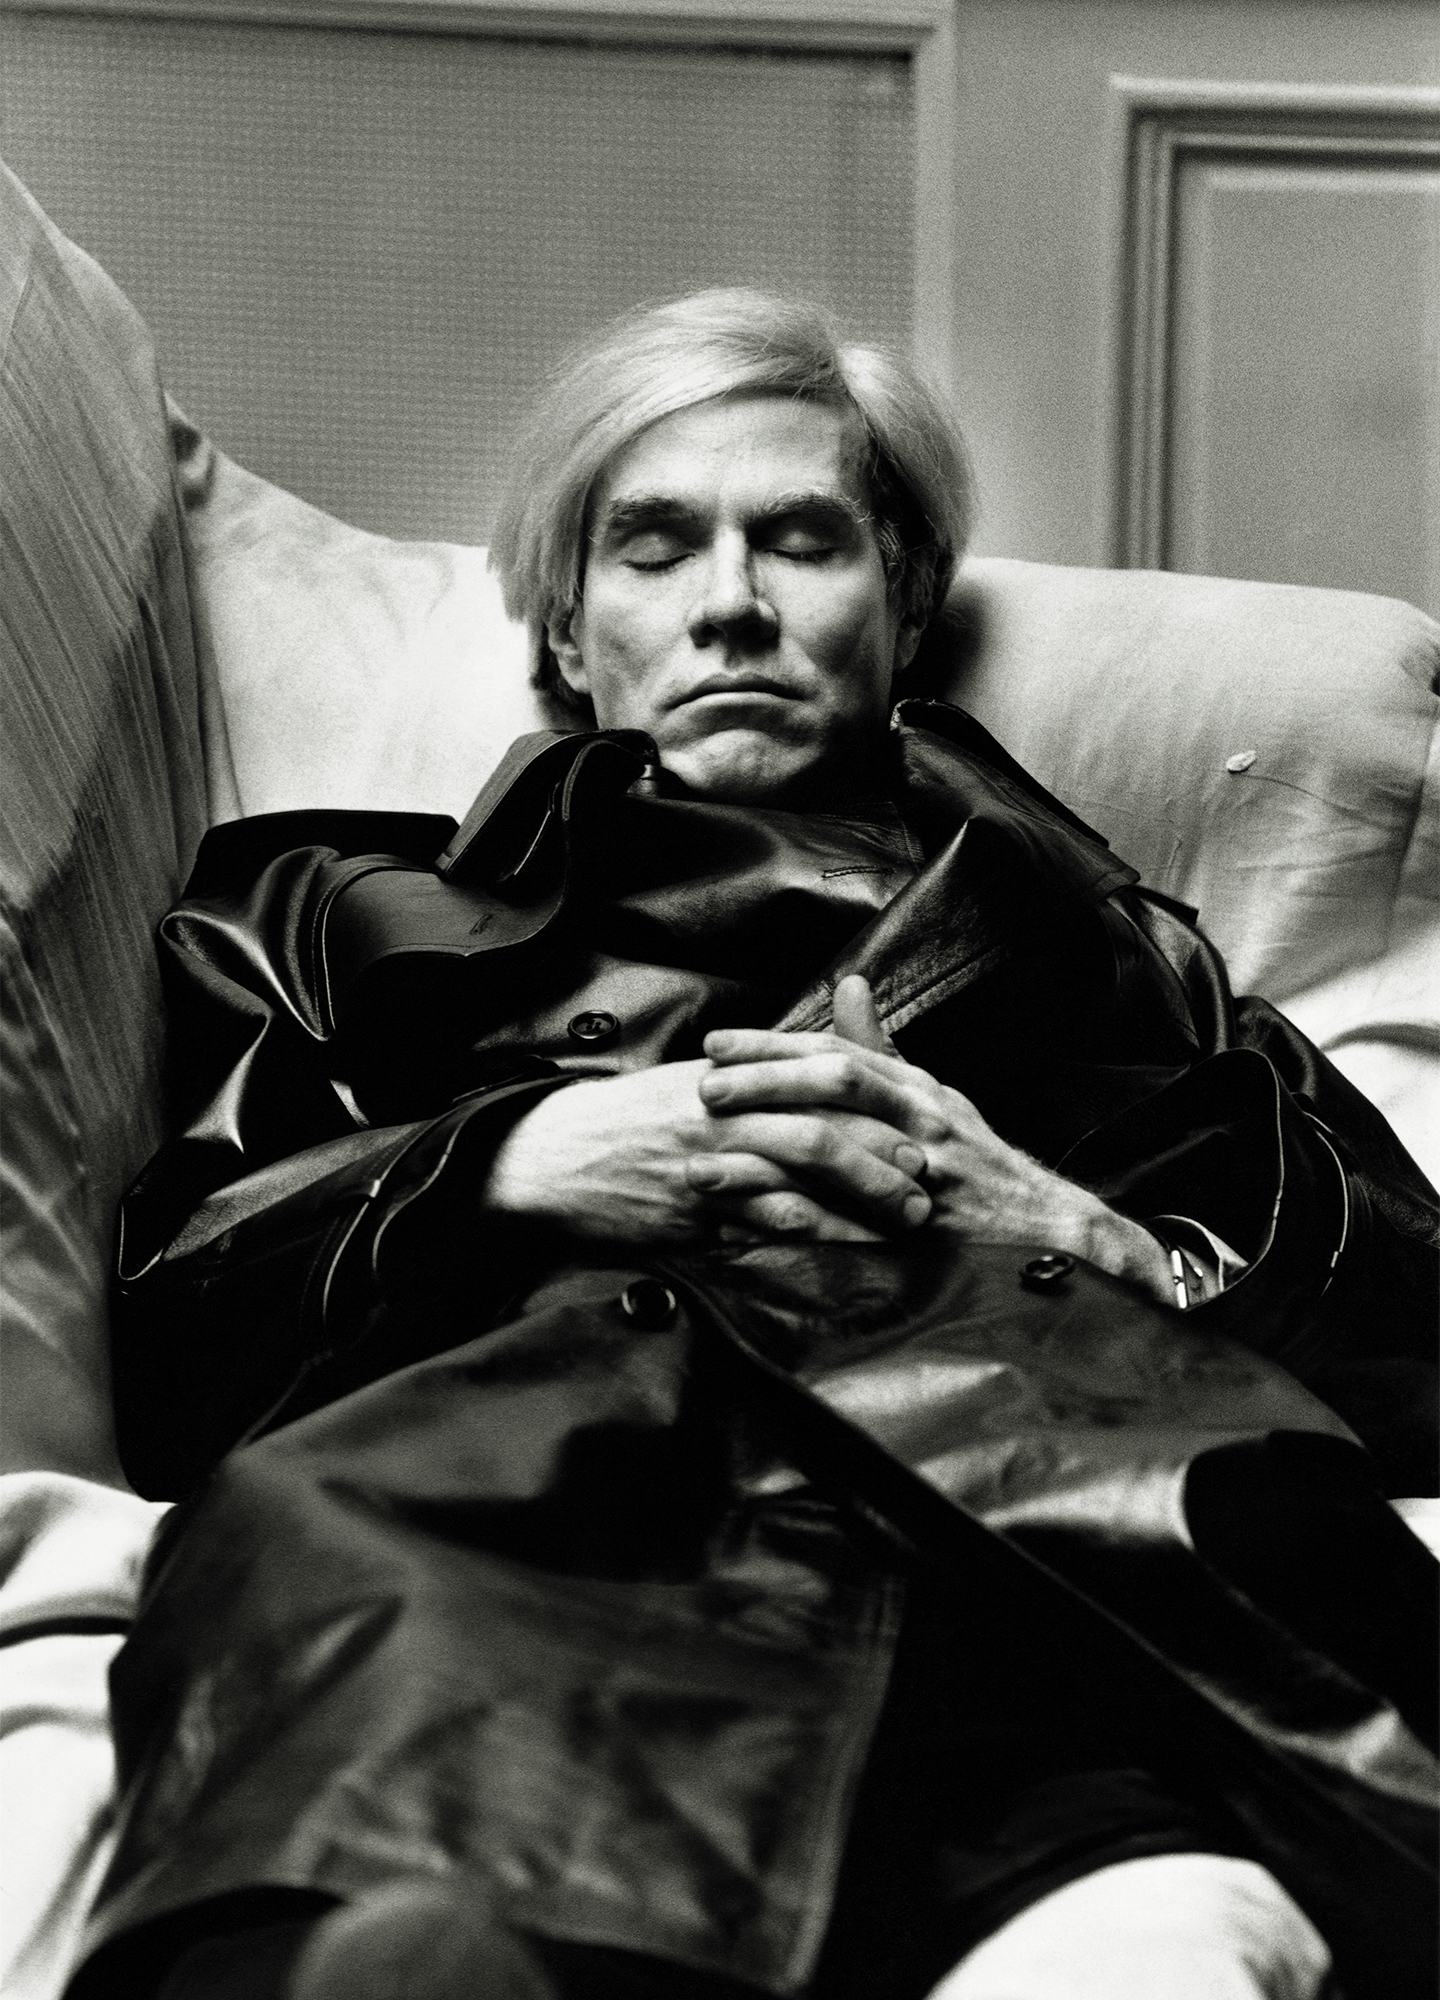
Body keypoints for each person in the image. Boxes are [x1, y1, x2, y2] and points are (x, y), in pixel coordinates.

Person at [78, 293, 1435, 2000]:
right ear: (567, 628)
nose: (730, 601)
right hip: (510, 1539)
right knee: (373, 1915)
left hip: (1027, 1550)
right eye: (653, 550)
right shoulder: (337, 911)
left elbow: (1416, 1323)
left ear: (904, 606)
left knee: (1153, 1925)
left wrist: (1088, 1236)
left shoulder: (1112, 951)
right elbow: (171, 1327)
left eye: (801, 540)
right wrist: (515, 1161)